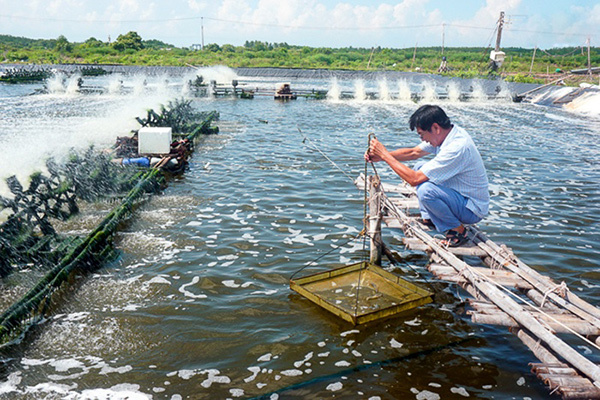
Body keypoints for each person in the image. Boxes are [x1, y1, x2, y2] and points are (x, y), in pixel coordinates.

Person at [365, 105, 489, 247]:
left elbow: (414, 179)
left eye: (422, 134)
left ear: (435, 128)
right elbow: (413, 153)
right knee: (420, 167)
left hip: (472, 209)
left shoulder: (457, 147)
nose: (423, 139)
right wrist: (379, 157)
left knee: (426, 190)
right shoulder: (448, 133)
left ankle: (458, 230)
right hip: (460, 196)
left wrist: (385, 155)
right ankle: (431, 217)